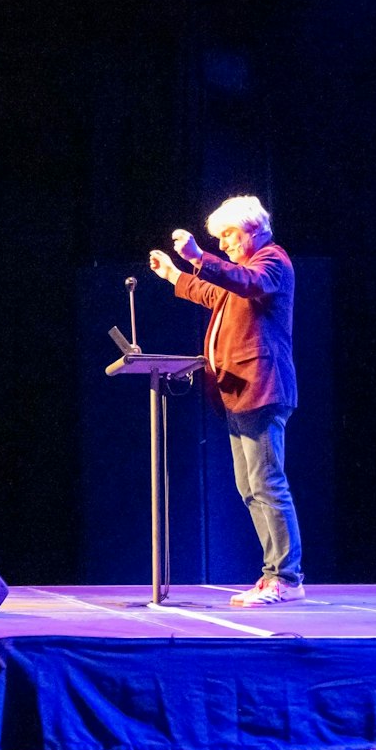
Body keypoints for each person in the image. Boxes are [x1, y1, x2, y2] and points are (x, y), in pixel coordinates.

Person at [149, 194, 304, 606]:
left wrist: (199, 257)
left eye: (229, 235)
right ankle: (273, 574)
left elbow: (244, 282)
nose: (224, 245)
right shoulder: (242, 275)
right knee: (250, 487)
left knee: (267, 483)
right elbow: (214, 293)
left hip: (262, 388)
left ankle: (286, 578)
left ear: (253, 229)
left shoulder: (272, 263)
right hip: (238, 392)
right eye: (219, 239)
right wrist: (174, 274)